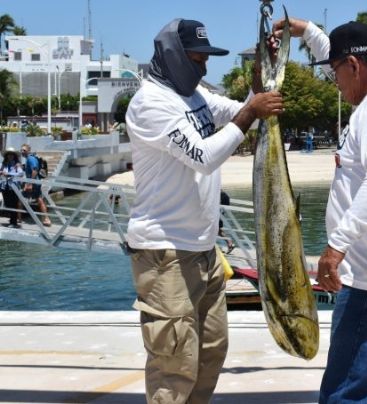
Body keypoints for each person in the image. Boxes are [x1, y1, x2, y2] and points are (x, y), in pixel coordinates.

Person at [125, 18, 283, 403]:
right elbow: (204, 156)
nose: (204, 67)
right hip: (166, 254)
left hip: (203, 250)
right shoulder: (151, 103)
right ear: (174, 57)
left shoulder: (194, 95)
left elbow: (237, 109)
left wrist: (259, 82)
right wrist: (251, 113)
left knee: (211, 351)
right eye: (198, 59)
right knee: (174, 366)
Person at [276, 18, 367, 403]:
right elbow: (338, 57)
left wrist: (336, 246)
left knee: (346, 394)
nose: (334, 82)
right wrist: (307, 31)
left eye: (336, 72)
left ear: (355, 67)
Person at [20, 144, 52, 226]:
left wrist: (29, 183)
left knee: (21, 199)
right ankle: (46, 219)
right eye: (21, 150)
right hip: (34, 182)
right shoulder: (30, 159)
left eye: (24, 150)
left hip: (33, 183)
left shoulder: (30, 159)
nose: (22, 152)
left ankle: (18, 218)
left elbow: (35, 170)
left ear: (28, 151)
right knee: (39, 199)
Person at [1, 147, 24, 228]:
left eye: (12, 155)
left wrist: (9, 174)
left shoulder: (17, 164)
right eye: (9, 155)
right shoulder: (4, 164)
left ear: (14, 156)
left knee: (13, 204)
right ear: (6, 156)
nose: (10, 156)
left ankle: (13, 222)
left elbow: (21, 173)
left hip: (13, 187)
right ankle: (12, 220)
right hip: (4, 186)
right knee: (7, 204)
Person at [218, 190, 234, 254]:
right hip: (220, 213)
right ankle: (229, 243)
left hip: (216, 214)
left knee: (216, 231)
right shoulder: (222, 193)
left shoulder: (217, 193)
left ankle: (216, 248)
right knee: (219, 231)